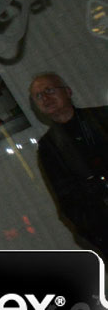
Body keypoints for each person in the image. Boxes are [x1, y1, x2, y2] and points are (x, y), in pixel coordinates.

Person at [30, 73, 108, 254]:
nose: (46, 98)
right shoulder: (48, 147)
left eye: (49, 90)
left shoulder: (102, 116)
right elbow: (68, 203)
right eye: (38, 96)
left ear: (68, 91)